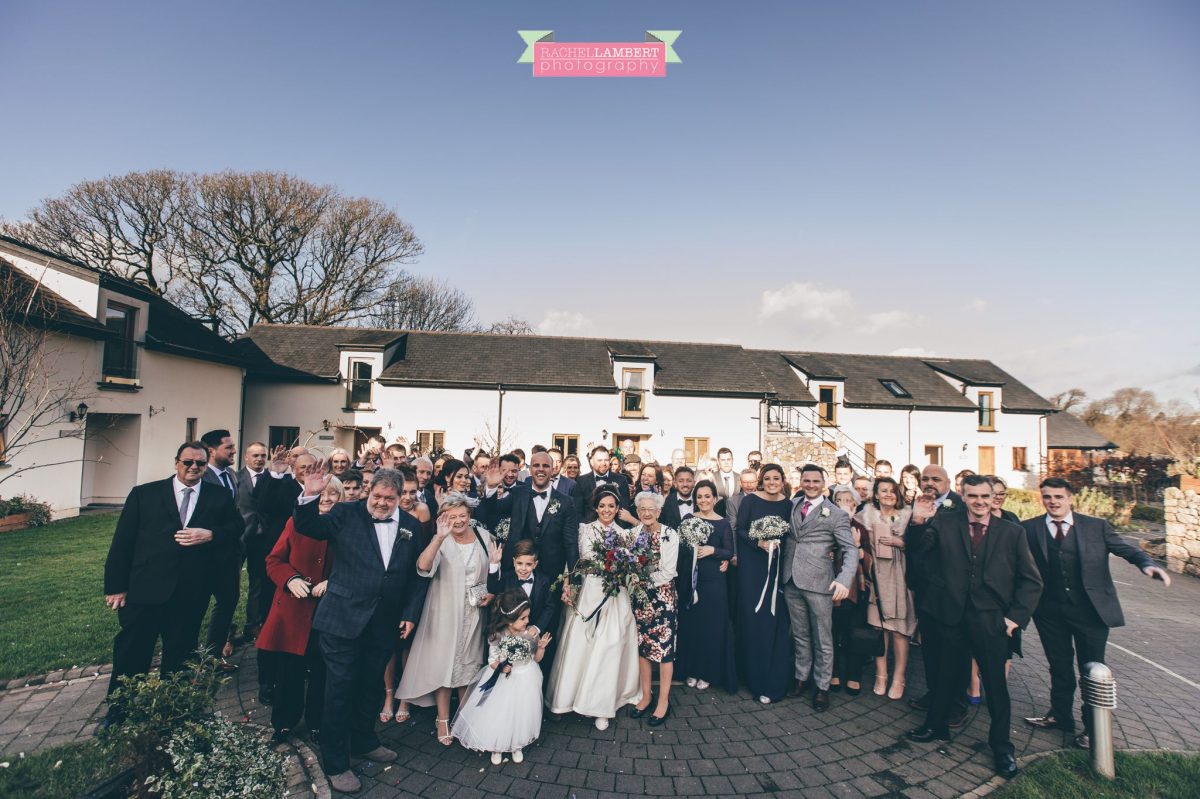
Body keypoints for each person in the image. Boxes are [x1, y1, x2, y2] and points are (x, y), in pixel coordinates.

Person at [291, 466, 429, 795]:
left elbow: (414, 576)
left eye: (389, 498)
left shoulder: (411, 526)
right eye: (377, 496)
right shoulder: (345, 513)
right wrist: (310, 494)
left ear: (400, 498)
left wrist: (410, 613)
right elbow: (309, 525)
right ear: (370, 492)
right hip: (342, 618)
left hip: (384, 622)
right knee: (340, 688)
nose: (381, 503)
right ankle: (336, 762)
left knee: (370, 684)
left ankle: (364, 740)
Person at [906, 475, 1043, 779]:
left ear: (994, 497)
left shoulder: (1012, 533)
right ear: (963, 496)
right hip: (951, 616)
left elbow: (1032, 581)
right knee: (943, 676)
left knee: (995, 685)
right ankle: (935, 725)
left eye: (985, 496)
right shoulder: (945, 522)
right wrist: (916, 522)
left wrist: (1014, 619)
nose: (979, 501)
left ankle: (1002, 746)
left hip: (990, 620)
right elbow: (919, 553)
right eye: (973, 496)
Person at [1022, 477, 1171, 749]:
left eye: (1058, 497)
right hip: (1049, 611)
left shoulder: (1095, 527)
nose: (1053, 502)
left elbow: (1126, 549)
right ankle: (1059, 715)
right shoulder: (1029, 528)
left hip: (1090, 611)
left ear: (1070, 499)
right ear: (1041, 499)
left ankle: (1093, 729)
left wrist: (1147, 564)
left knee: (1092, 669)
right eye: (1047, 497)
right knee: (1059, 665)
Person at [101, 442, 241, 727]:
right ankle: (119, 712)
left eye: (200, 464)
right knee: (132, 652)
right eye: (187, 462)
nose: (193, 468)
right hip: (145, 589)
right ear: (176, 462)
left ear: (206, 465)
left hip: (190, 592)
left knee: (180, 654)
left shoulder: (219, 496)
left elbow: (236, 528)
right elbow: (122, 543)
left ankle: (173, 711)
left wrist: (211, 534)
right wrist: (116, 586)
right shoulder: (145, 494)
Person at [396, 493, 494, 747]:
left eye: (463, 516)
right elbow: (423, 567)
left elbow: (490, 573)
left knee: (469, 664)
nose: (459, 521)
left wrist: (489, 594)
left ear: (469, 516)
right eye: (452, 517)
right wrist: (439, 537)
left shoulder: (483, 537)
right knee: (446, 666)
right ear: (443, 519)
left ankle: (463, 718)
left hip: (474, 612)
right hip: (445, 612)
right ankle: (443, 719)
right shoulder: (440, 540)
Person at [546, 488, 642, 730]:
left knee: (609, 645)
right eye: (602, 506)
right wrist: (569, 583)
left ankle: (601, 705)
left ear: (617, 508)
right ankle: (568, 699)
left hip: (614, 593)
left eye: (611, 506)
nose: (607, 510)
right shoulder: (584, 529)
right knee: (581, 643)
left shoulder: (625, 534)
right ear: (595, 508)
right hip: (589, 590)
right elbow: (577, 560)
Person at [257, 476, 339, 742]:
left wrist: (332, 581)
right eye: (321, 494)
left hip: (327, 611)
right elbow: (273, 560)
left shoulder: (345, 526)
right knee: (288, 671)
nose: (326, 499)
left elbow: (355, 565)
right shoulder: (296, 522)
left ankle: (317, 723)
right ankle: (283, 723)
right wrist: (290, 579)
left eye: (332, 494)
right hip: (293, 608)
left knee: (321, 672)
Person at [783, 465, 859, 712]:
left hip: (819, 583)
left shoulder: (836, 514)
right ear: (801, 482)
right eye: (807, 480)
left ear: (824, 483)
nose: (811, 484)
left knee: (823, 638)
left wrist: (844, 579)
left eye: (816, 481)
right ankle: (800, 677)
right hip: (791, 579)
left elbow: (850, 550)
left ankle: (822, 686)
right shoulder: (793, 505)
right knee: (800, 633)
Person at [452, 589, 552, 765]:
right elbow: (492, 659)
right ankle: (497, 744)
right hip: (503, 680)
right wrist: (501, 667)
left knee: (520, 712)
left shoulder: (529, 635)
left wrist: (541, 647)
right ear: (509, 619)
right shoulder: (498, 635)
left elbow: (535, 658)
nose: (527, 621)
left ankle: (516, 744)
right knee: (500, 712)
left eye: (528, 617)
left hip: (526, 677)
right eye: (523, 618)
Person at [906, 464, 968, 722]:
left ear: (948, 482)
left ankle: (957, 702)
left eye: (936, 479)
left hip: (953, 590)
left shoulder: (960, 506)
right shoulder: (917, 504)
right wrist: (917, 521)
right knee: (930, 646)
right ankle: (934, 692)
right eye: (926, 479)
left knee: (955, 649)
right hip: (925, 588)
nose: (930, 483)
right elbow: (914, 546)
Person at [734, 464, 794, 704]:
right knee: (753, 617)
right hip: (752, 567)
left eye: (776, 478)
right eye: (767, 478)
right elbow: (739, 529)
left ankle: (773, 678)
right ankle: (752, 676)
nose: (771, 482)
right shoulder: (750, 501)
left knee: (774, 619)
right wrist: (757, 543)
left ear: (782, 480)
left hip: (777, 567)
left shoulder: (788, 505)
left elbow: (791, 536)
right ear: (761, 480)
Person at [855, 477, 915, 700]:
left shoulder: (909, 516)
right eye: (883, 491)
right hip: (877, 576)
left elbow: (922, 545)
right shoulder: (864, 515)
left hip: (901, 575)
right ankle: (881, 674)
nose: (888, 494)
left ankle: (899, 677)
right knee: (879, 628)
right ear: (876, 494)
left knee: (899, 631)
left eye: (892, 491)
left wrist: (903, 543)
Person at [382, 465, 433, 725]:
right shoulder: (385, 512)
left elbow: (425, 551)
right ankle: (389, 694)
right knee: (389, 645)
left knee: (408, 645)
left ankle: (405, 697)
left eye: (414, 492)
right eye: (405, 492)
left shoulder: (422, 512)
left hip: (412, 581)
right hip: (388, 585)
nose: (409, 497)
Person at [676, 479, 737, 693]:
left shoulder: (723, 522)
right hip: (691, 580)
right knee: (692, 627)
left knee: (712, 628)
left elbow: (729, 552)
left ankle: (709, 672)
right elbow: (679, 547)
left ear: (715, 498)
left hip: (714, 582)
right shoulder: (688, 519)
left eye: (707, 496)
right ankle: (691, 669)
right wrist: (690, 548)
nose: (703, 500)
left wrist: (714, 551)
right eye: (699, 497)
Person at [481, 450, 579, 583]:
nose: (541, 469)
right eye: (536, 465)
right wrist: (491, 487)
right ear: (530, 469)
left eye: (545, 466)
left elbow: (571, 543)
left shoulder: (566, 502)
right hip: (516, 571)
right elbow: (493, 510)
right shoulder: (517, 494)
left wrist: (574, 581)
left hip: (552, 575)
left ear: (553, 469)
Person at [628, 492, 679, 727]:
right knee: (643, 648)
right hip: (639, 600)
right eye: (642, 509)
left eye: (651, 509)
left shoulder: (669, 534)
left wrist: (642, 580)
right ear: (637, 512)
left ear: (659, 511)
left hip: (662, 599)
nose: (646, 513)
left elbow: (668, 571)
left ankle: (663, 701)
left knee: (664, 650)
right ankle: (646, 695)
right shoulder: (633, 534)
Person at [199, 428, 244, 672]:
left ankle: (213, 657)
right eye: (229, 447)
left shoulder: (232, 476)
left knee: (228, 602)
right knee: (197, 606)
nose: (234, 451)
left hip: (231, 552)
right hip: (206, 554)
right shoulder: (201, 477)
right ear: (211, 450)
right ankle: (191, 661)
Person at [828, 486, 868, 696]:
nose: (843, 503)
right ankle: (833, 672)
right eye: (839, 500)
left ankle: (854, 674)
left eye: (847, 500)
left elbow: (871, 561)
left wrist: (858, 547)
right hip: (831, 585)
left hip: (856, 588)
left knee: (855, 632)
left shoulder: (860, 527)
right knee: (832, 631)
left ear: (855, 504)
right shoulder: (829, 525)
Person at [571, 445, 633, 524]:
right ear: (591, 462)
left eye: (606, 460)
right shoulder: (581, 481)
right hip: (588, 529)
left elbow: (624, 510)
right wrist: (587, 529)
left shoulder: (621, 480)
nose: (603, 463)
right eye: (599, 460)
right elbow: (577, 511)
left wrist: (615, 531)